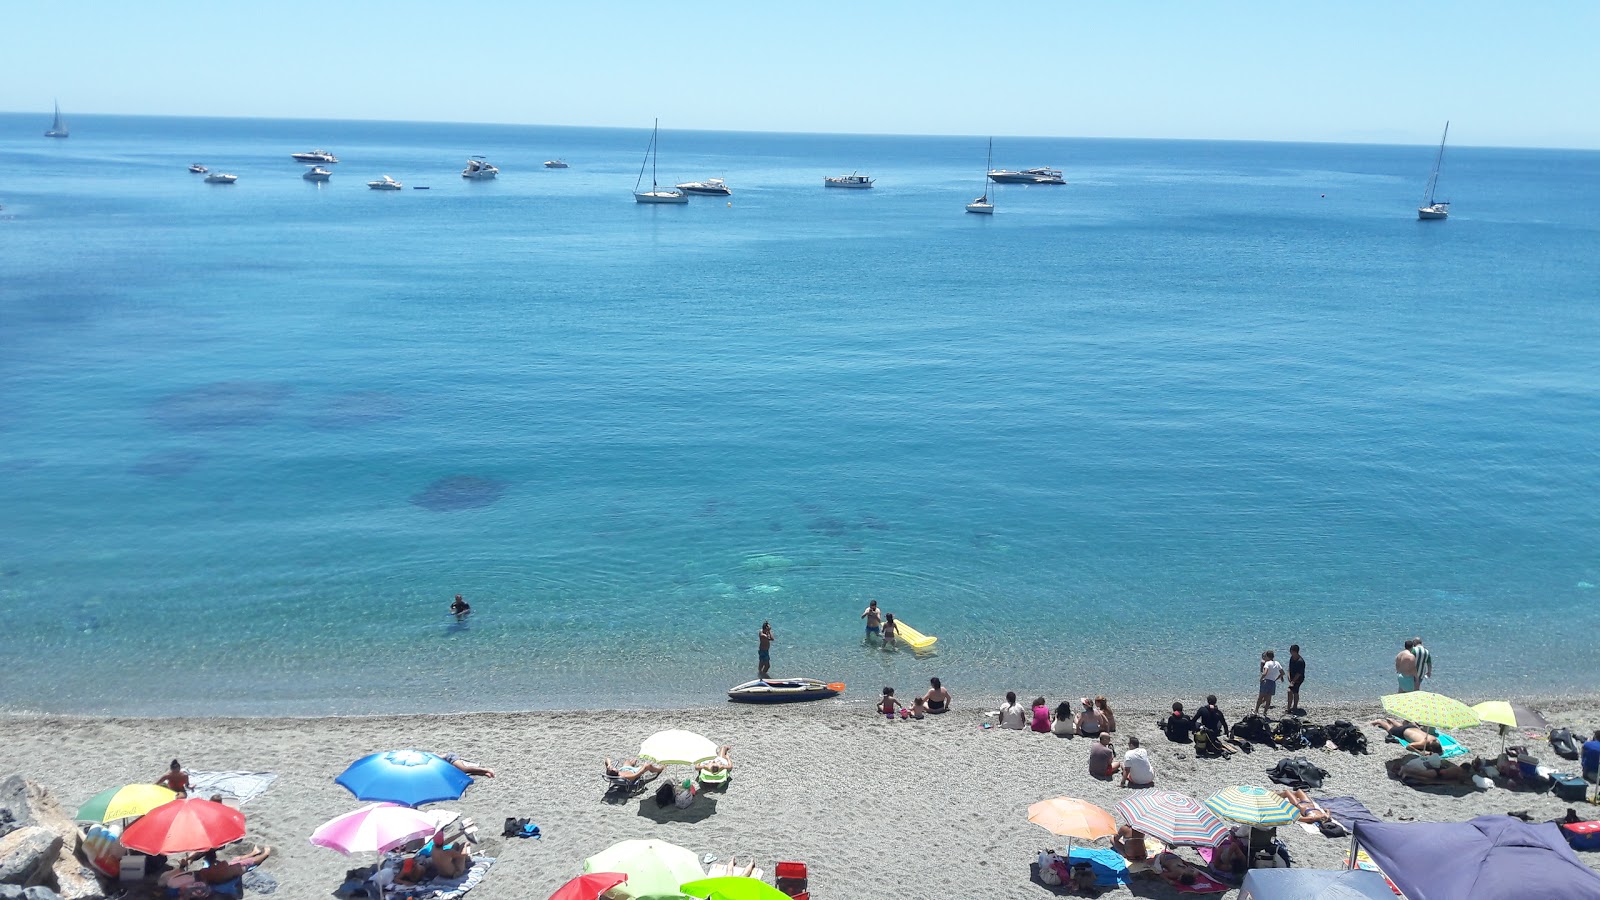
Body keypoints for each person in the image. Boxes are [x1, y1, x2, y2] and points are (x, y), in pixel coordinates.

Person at [193, 846, 272, 885]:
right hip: (234, 870)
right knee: (248, 862)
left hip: (228, 869)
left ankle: (254, 853)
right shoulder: (217, 874)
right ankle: (265, 854)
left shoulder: (205, 873)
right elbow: (224, 865)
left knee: (237, 859)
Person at [1391, 753, 1478, 785]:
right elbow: (1460, 778)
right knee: (1422, 775)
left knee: (1423, 777)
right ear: (1464, 770)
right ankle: (1404, 770)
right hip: (1439, 773)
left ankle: (1407, 773)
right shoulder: (1459, 770)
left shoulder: (1457, 769)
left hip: (1439, 773)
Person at [1371, 717, 1443, 754]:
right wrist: (1420, 752)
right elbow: (1409, 746)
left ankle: (1392, 721)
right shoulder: (1423, 743)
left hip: (1412, 728)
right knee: (1389, 729)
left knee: (1402, 726)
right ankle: (1379, 721)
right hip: (1403, 731)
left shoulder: (1435, 739)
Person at [1255, 650, 1284, 716]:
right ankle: (1265, 712)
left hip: (1266, 681)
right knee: (1268, 698)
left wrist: (1261, 678)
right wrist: (1277, 678)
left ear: (1267, 656)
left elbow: (1265, 673)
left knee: (1260, 697)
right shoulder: (1277, 663)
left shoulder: (1267, 663)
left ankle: (1256, 710)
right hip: (1272, 682)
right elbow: (1282, 673)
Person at [1287, 644, 1306, 713]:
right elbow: (1289, 668)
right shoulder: (1292, 658)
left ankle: (1292, 707)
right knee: (1294, 691)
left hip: (1299, 679)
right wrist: (1289, 676)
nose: (1290, 652)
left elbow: (1299, 673)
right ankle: (1291, 707)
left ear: (1295, 651)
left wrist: (1293, 682)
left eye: (1291, 651)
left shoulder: (1300, 661)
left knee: (1291, 691)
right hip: (1292, 678)